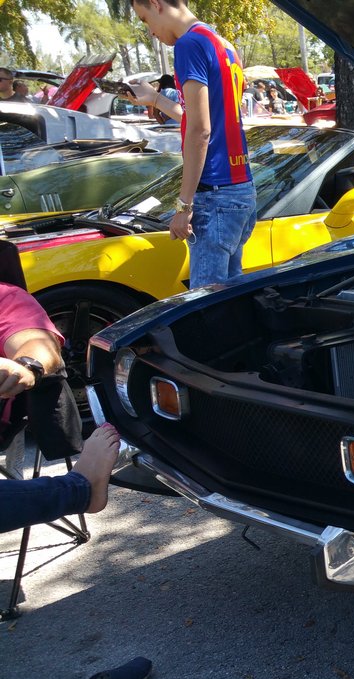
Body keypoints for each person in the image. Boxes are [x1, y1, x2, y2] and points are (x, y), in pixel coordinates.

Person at [126, 0, 255, 289]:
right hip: (240, 188)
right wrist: (154, 99)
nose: (151, 32)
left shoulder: (189, 44)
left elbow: (200, 131)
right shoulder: (222, 44)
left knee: (205, 302)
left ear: (156, 4)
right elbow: (204, 119)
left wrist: (183, 206)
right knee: (231, 297)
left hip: (215, 192)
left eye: (145, 19)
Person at [0, 281, 119, 533]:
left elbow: (38, 343)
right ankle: (77, 490)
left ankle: (80, 489)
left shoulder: (5, 297)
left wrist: (26, 366)